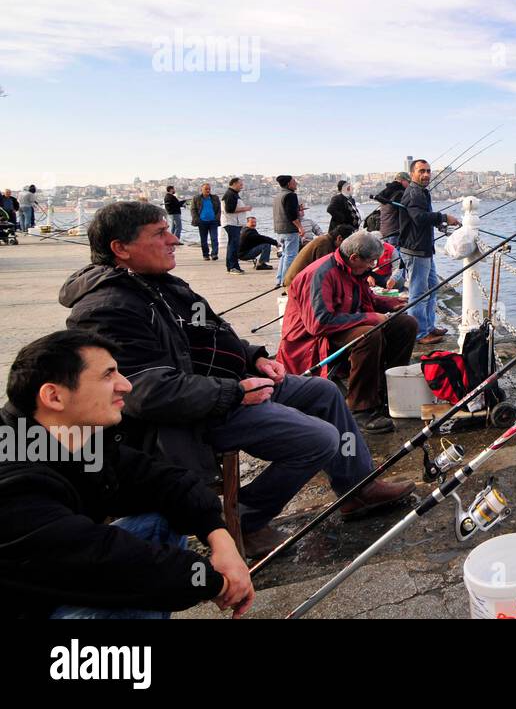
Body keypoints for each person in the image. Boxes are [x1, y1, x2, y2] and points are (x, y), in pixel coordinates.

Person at [59, 202, 414, 559]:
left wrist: (254, 357)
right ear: (121, 249)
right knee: (319, 439)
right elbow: (146, 393)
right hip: (194, 413)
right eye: (160, 234)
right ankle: (241, 519)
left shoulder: (158, 284)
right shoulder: (108, 308)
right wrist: (236, 392)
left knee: (323, 392)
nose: (174, 240)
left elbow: (211, 333)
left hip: (231, 383)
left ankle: (357, 489)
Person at [0, 329, 254, 619]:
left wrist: (221, 539)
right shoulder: (14, 481)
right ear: (54, 396)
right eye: (108, 375)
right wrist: (217, 582)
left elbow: (165, 480)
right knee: (139, 575)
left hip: (57, 575)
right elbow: (107, 560)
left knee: (161, 520)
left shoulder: (72, 436)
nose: (126, 385)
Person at [278, 232, 418, 433]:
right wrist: (371, 318)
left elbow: (366, 299)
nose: (372, 267)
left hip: (339, 326)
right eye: (370, 262)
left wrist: (393, 303)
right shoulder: (320, 274)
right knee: (369, 335)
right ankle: (360, 408)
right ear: (354, 258)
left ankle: (387, 391)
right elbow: (318, 323)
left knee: (406, 324)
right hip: (312, 339)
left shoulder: (353, 270)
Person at [399, 160, 461, 344]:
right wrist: (443, 217)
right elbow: (418, 218)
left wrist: (439, 223)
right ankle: (419, 333)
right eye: (421, 171)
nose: (426, 175)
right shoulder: (413, 193)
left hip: (425, 249)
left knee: (433, 288)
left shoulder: (422, 192)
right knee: (418, 293)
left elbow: (422, 218)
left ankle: (428, 326)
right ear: (412, 174)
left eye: (428, 171)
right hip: (416, 250)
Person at [282, 224, 353, 290]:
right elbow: (323, 272)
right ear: (339, 238)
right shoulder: (324, 243)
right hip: (294, 284)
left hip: (296, 281)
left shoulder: (327, 241)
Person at [373, 171, 410, 288]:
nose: (409, 185)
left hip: (384, 231)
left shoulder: (386, 193)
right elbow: (405, 214)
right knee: (399, 262)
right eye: (408, 182)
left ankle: (387, 286)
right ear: (402, 181)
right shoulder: (400, 193)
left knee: (388, 262)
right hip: (395, 232)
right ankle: (399, 286)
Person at [272, 175, 304, 286]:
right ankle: (286, 281)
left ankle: (279, 280)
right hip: (290, 230)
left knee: (284, 255)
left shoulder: (278, 196)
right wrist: (300, 227)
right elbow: (291, 215)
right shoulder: (291, 195)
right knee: (290, 256)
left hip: (279, 230)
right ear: (288, 184)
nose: (296, 183)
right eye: (294, 181)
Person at [221, 177, 252, 274]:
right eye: (240, 184)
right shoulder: (230, 195)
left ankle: (231, 266)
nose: (241, 187)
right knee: (233, 245)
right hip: (232, 223)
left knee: (232, 245)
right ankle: (233, 267)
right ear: (234, 184)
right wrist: (245, 208)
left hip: (233, 223)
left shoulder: (232, 194)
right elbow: (229, 209)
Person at [190, 182, 222, 260]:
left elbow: (219, 209)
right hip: (202, 222)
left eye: (209, 189)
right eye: (206, 189)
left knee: (214, 238)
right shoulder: (196, 198)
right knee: (203, 240)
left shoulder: (215, 198)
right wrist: (197, 219)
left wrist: (216, 218)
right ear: (202, 190)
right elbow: (193, 209)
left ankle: (214, 254)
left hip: (213, 222)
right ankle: (205, 255)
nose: (208, 190)